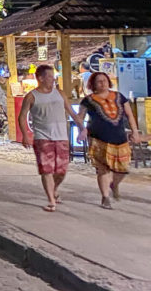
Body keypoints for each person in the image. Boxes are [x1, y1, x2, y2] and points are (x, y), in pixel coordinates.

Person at [18, 65, 87, 212]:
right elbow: (22, 116)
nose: (53, 79)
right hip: (42, 137)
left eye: (53, 76)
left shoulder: (59, 94)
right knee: (46, 170)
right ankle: (51, 200)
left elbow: (72, 113)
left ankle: (54, 189)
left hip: (61, 136)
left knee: (61, 170)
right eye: (50, 76)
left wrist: (82, 128)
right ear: (41, 78)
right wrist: (25, 135)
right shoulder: (31, 96)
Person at [77, 71, 141, 209]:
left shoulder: (119, 97)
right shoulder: (88, 100)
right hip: (98, 139)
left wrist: (135, 131)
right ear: (93, 84)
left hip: (120, 138)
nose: (103, 83)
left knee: (122, 169)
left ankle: (114, 184)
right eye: (99, 81)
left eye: (105, 80)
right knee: (103, 169)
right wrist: (82, 130)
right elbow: (79, 117)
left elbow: (129, 115)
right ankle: (105, 197)